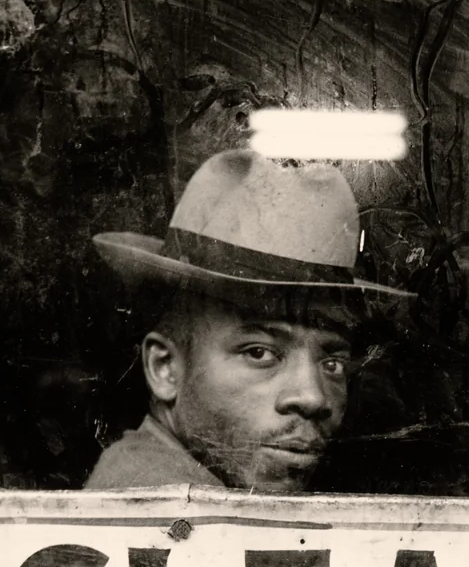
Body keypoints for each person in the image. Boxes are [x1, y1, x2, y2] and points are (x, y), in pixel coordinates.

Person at [84, 148, 408, 491]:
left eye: (333, 364)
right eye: (259, 352)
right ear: (165, 368)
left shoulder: (191, 495)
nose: (314, 397)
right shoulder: (155, 506)